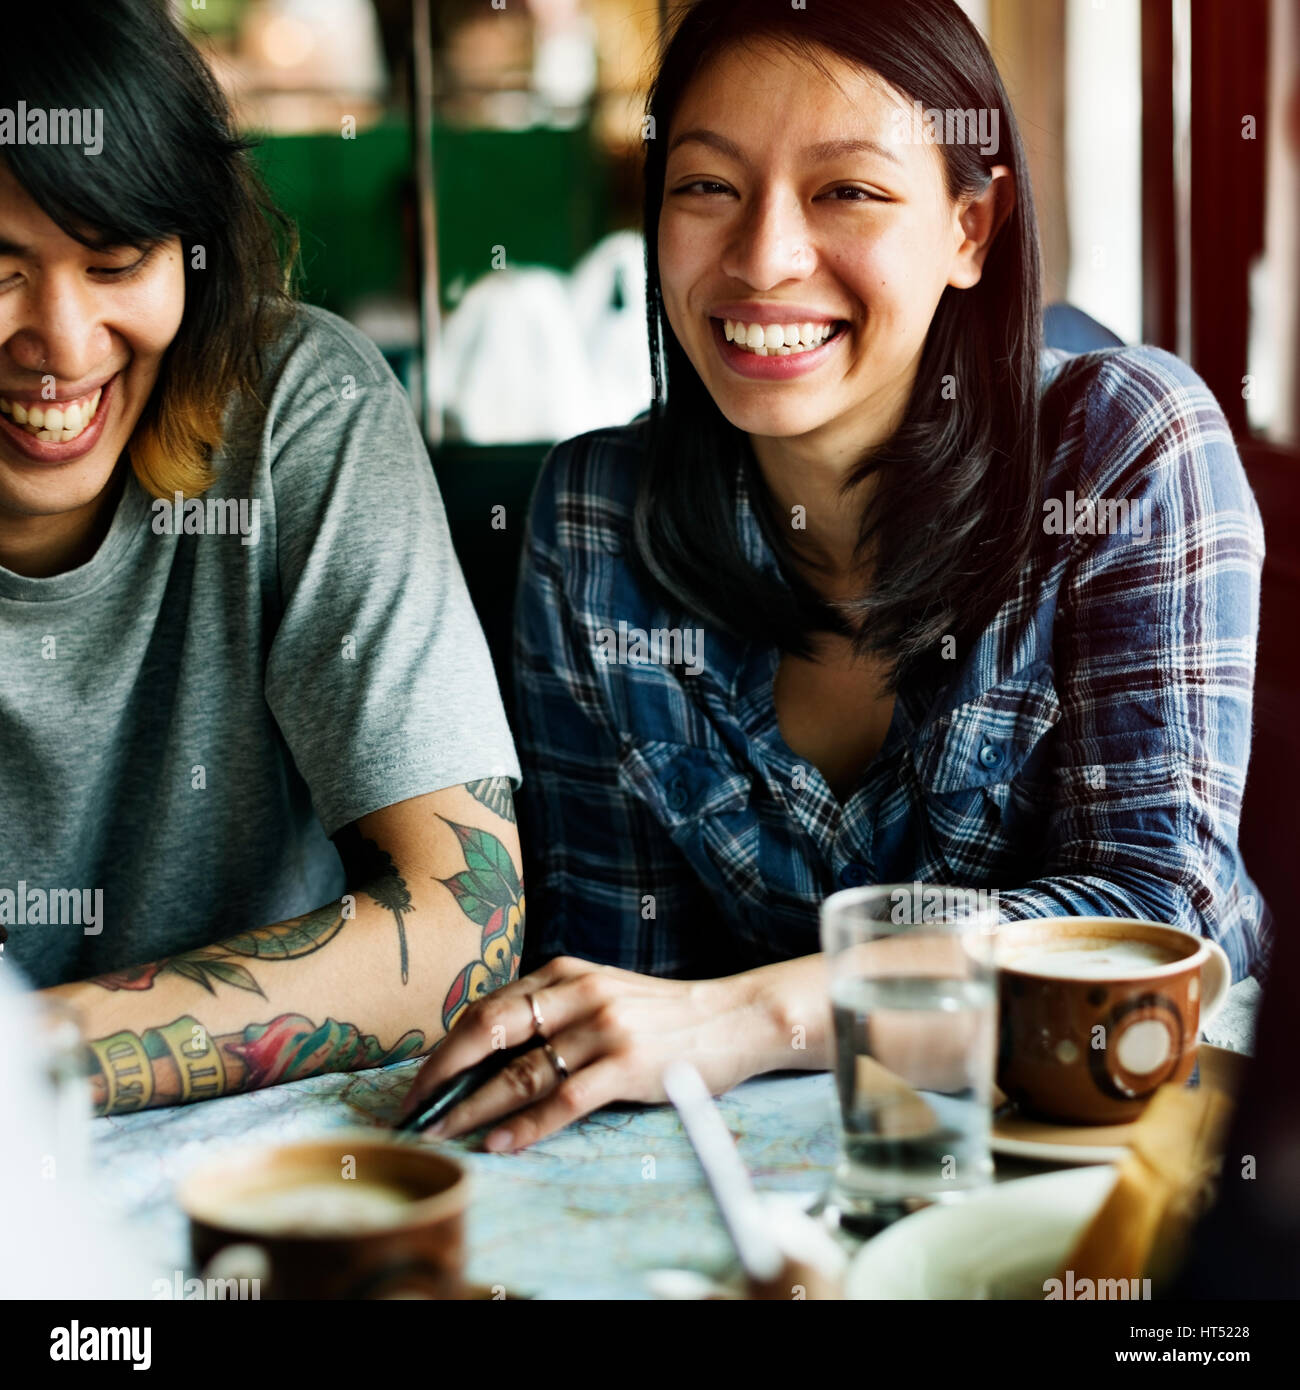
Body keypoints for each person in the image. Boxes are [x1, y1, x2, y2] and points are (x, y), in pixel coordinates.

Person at [399, 0, 1269, 1150]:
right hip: (773, 1160)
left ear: (971, 227)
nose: (763, 258)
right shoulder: (595, 521)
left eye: (845, 190)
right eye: (707, 186)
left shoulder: (1124, 448)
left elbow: (1151, 926)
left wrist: (757, 1013)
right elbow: (618, 976)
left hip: (1125, 1136)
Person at [0, 0, 522, 1113]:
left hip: (265, 1185)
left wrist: (31, 1063)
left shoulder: (299, 408)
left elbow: (466, 926)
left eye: (116, 259)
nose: (61, 343)